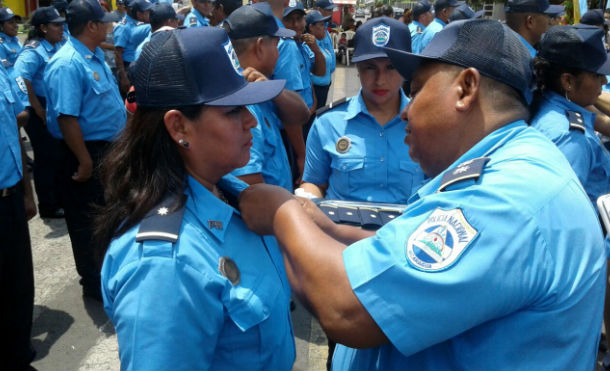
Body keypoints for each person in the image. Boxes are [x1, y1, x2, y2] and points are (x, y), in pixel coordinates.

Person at [239, 19, 607, 370]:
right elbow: (412, 248)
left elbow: (346, 309)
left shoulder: (503, 200)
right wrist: (329, 229)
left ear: (465, 88)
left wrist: (282, 212)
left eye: (415, 91)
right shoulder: (505, 168)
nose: (406, 111)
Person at [97, 26, 295, 370]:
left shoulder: (232, 196)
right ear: (179, 127)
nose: (251, 121)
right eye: (232, 111)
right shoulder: (164, 266)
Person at [44, 0, 126, 301]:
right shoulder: (68, 63)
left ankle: (108, 275)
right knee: (87, 222)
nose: (109, 26)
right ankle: (94, 285)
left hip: (106, 149)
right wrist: (84, 160)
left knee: (108, 215)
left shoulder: (92, 57)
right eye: (104, 21)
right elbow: (67, 118)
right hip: (85, 152)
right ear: (91, 26)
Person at [300, 16, 423, 203]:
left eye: (391, 67)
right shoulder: (328, 123)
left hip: (407, 230)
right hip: (339, 229)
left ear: (406, 69)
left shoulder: (426, 124)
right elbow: (314, 183)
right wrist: (309, 199)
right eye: (370, 68)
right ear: (357, 67)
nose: (380, 80)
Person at [224, 3, 309, 190]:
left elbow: (301, 114)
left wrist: (273, 91)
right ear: (261, 47)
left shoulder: (260, 87)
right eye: (276, 45)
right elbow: (248, 183)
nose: (278, 53)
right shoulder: (243, 102)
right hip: (268, 214)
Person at [531, 24, 610, 207]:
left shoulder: (554, 104)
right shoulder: (571, 139)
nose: (605, 81)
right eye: (598, 75)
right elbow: (567, 210)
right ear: (568, 81)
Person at [0, 60, 37, 371]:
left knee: (19, 284)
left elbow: (15, 129)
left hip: (11, 191)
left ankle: (18, 355)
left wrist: (27, 192)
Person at [13, 7, 65, 219]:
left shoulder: (56, 45)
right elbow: (21, 77)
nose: (61, 28)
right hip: (38, 108)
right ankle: (48, 205)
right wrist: (36, 107)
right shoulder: (33, 51)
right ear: (43, 28)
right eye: (56, 25)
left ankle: (59, 197)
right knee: (46, 157)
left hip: (52, 103)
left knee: (58, 154)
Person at [114, 0, 152, 94]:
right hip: (128, 67)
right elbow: (118, 53)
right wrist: (124, 78)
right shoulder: (123, 27)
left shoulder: (140, 22)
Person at [307, 10, 333, 109]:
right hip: (316, 91)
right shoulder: (309, 46)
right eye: (321, 24)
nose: (324, 28)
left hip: (323, 89)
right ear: (311, 27)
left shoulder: (319, 43)